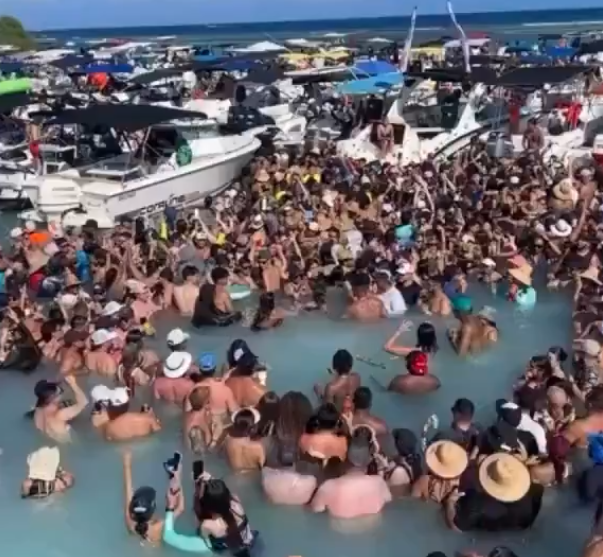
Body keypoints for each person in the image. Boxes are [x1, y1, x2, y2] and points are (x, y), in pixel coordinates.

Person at [445, 453, 544, 532]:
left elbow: (455, 527)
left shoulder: (475, 504)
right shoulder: (536, 490)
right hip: (521, 529)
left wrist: (450, 502)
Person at [310, 437, 392, 518]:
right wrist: (382, 470)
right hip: (374, 525)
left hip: (341, 525)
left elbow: (315, 512)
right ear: (369, 460)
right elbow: (388, 502)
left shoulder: (328, 486)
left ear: (342, 459)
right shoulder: (379, 482)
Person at [122, 451, 178, 545]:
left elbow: (128, 495)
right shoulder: (159, 526)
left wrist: (126, 465)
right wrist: (175, 477)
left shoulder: (131, 527)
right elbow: (180, 508)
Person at [32, 376, 88, 442]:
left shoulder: (38, 410)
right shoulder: (60, 414)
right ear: (52, 397)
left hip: (49, 439)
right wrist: (73, 384)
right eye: (60, 391)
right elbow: (84, 402)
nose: (62, 393)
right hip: (67, 443)